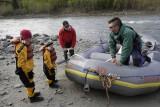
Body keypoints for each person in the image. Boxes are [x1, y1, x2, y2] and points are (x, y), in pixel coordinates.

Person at [11, 29, 43, 103]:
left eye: (30, 38)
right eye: (27, 38)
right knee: (29, 84)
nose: (29, 40)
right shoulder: (21, 47)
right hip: (24, 70)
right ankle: (32, 98)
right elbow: (21, 63)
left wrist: (30, 68)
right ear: (23, 38)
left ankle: (32, 93)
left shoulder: (27, 44)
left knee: (31, 80)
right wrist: (27, 71)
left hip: (28, 67)